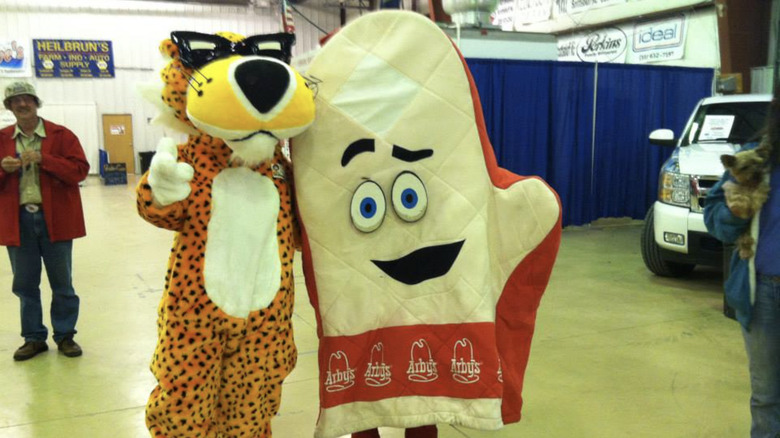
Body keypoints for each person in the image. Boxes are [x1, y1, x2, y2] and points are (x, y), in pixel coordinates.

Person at [704, 101, 780, 437]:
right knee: (766, 396)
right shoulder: (754, 159)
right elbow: (714, 216)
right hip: (761, 290)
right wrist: (734, 212)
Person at [0, 81, 89, 361]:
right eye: (16, 101)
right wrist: (2, 170)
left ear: (36, 103)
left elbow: (79, 171)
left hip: (56, 220)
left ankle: (65, 336)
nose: (22, 104)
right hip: (18, 222)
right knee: (25, 285)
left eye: (27, 99)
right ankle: (34, 338)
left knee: (62, 282)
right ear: (9, 107)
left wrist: (44, 159)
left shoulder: (61, 135)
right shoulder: (1, 138)